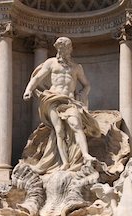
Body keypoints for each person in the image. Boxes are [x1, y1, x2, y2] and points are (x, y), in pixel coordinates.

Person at [23, 37, 100, 172]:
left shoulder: (76, 67)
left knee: (76, 125)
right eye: (60, 48)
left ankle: (86, 155)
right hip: (52, 98)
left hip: (70, 101)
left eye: (65, 47)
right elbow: (37, 77)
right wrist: (28, 90)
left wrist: (82, 95)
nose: (62, 50)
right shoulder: (51, 63)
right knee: (59, 130)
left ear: (70, 49)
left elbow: (86, 85)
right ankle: (64, 163)